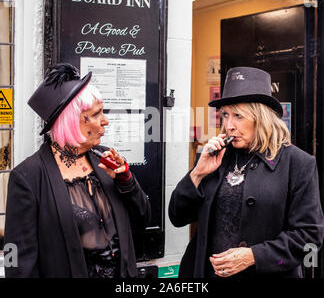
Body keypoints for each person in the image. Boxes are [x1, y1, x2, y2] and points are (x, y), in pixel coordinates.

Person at [169, 66, 324, 278]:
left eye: (238, 116)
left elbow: (309, 238)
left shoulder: (298, 163)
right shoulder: (216, 155)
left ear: (261, 117)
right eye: (225, 115)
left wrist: (254, 256)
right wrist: (197, 173)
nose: (229, 125)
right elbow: (177, 217)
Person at [4, 63, 151, 278]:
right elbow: (17, 262)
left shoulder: (106, 159)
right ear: (72, 121)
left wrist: (126, 181)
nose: (105, 121)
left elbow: (143, 219)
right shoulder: (28, 178)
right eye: (96, 113)